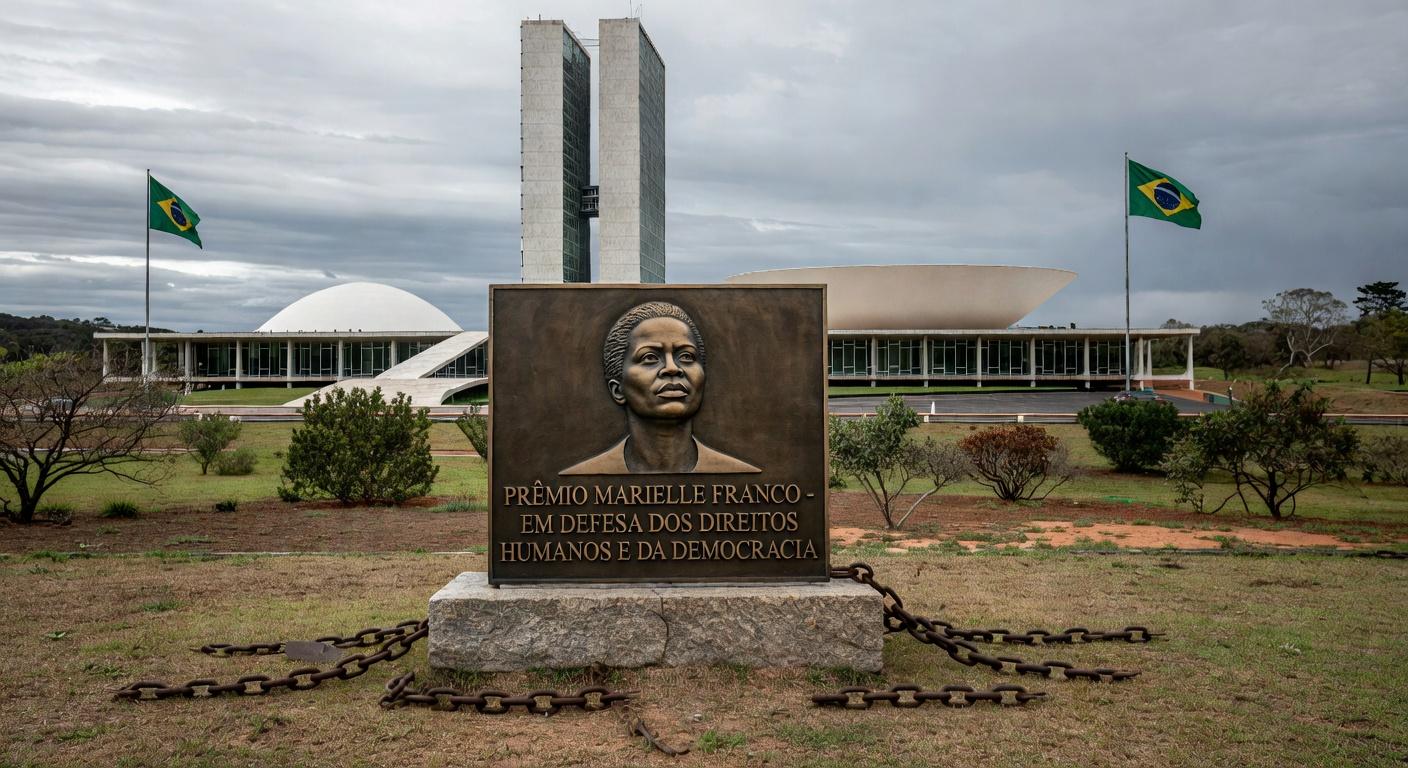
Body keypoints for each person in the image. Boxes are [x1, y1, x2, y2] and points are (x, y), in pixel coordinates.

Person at [561, 301, 760, 475]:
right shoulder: (578, 479)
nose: (672, 368)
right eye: (649, 357)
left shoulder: (744, 477)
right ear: (617, 390)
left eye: (686, 356)